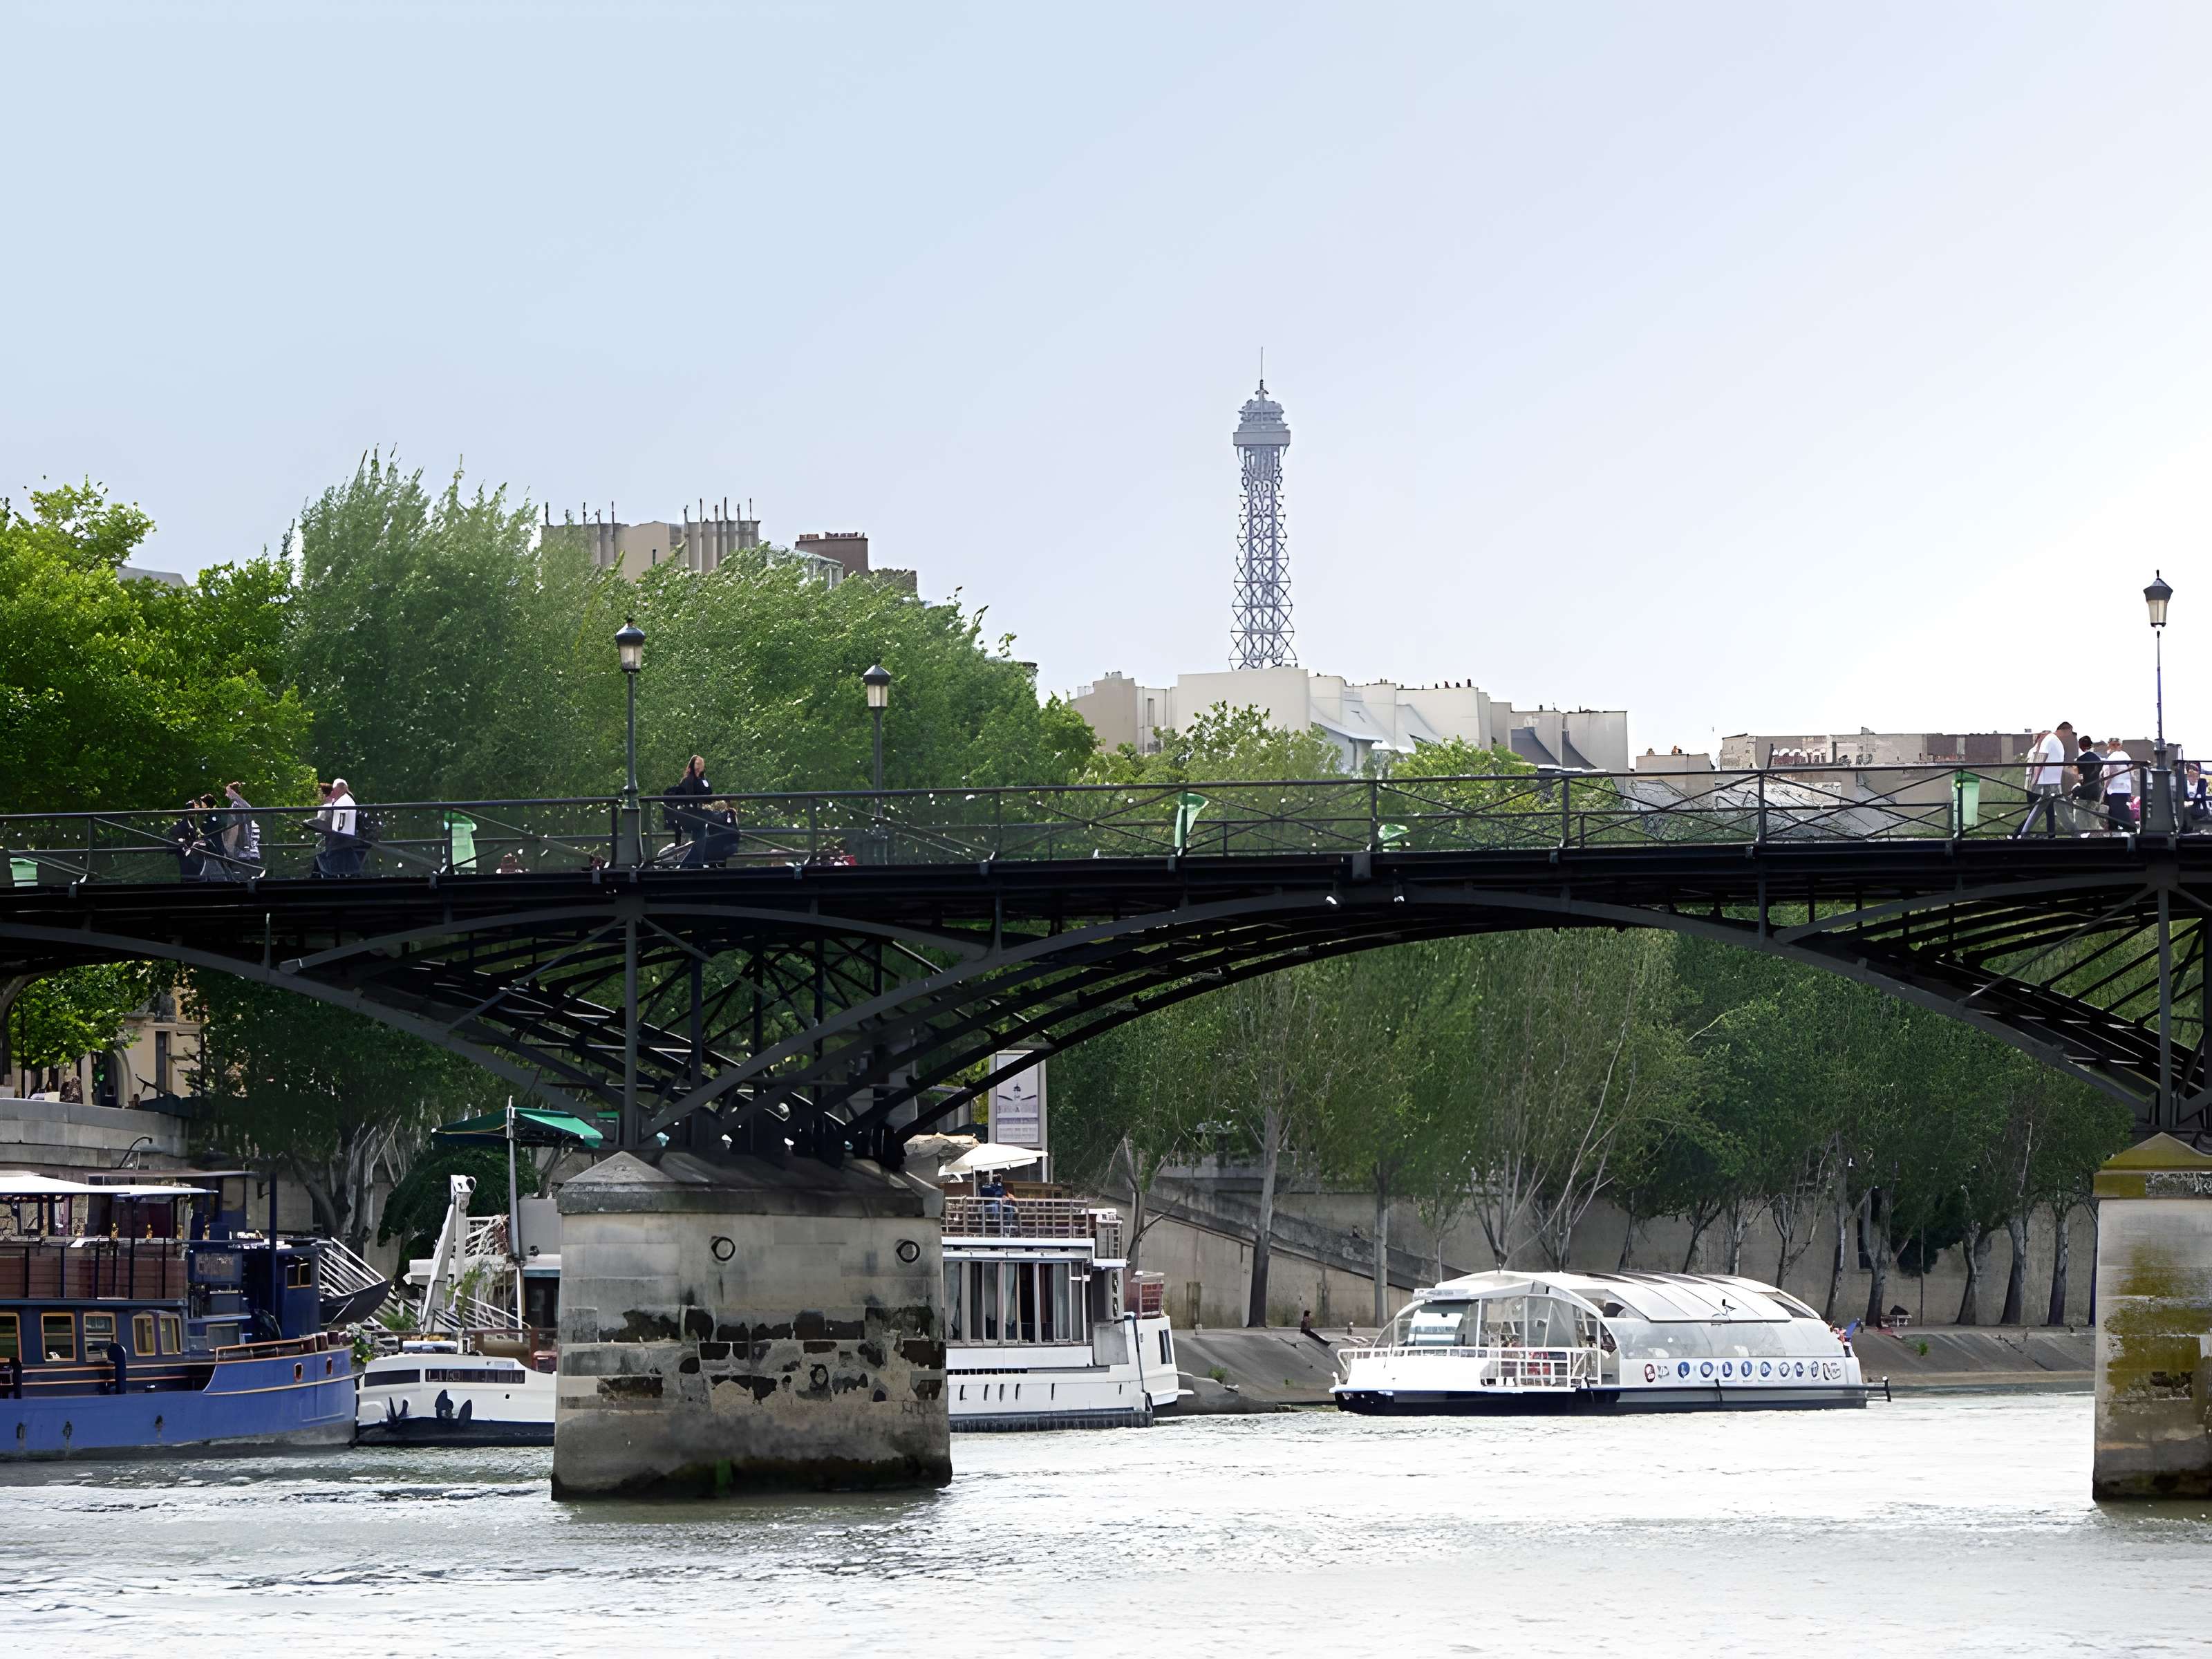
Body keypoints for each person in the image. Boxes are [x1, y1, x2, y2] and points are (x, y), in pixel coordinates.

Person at [2012, 722, 2072, 838]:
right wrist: (2034, 782)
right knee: (2041, 811)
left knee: (2046, 811)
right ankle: (2022, 833)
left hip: (2045, 784)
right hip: (2042, 785)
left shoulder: (2039, 747)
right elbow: (2038, 764)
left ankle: (2024, 834)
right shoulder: (2039, 748)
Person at [662, 756, 712, 848]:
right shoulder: (688, 780)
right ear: (692, 765)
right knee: (701, 831)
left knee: (706, 829)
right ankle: (697, 854)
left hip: (699, 814)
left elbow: (708, 793)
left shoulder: (703, 780)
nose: (699, 767)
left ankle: (701, 854)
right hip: (688, 814)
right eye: (697, 764)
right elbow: (689, 796)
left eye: (701, 764)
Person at [221, 782, 262, 877]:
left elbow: (234, 828)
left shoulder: (236, 806)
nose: (226, 795)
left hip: (241, 854)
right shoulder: (240, 807)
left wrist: (229, 851)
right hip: (248, 853)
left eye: (228, 793)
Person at [169, 797, 212, 879]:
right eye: (194, 811)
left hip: (197, 861)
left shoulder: (193, 824)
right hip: (188, 862)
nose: (195, 814)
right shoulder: (181, 826)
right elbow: (179, 845)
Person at [2103, 740, 2137, 833]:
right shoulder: (2125, 755)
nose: (2115, 747)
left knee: (2115, 813)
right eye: (2113, 745)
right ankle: (2127, 830)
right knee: (2122, 811)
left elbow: (2109, 773)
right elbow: (2132, 770)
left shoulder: (2112, 757)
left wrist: (2104, 789)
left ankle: (2123, 830)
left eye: (2117, 744)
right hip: (2125, 788)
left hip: (2115, 789)